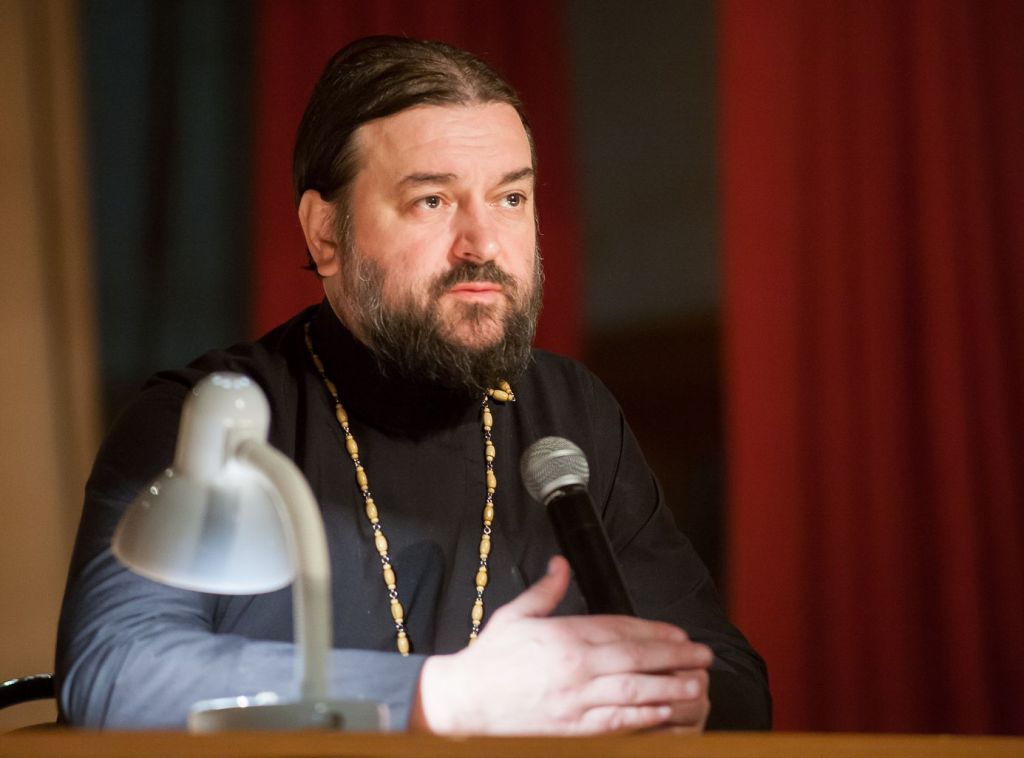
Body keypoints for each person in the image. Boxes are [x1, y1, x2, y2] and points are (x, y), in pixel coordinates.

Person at [56, 35, 770, 734]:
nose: (483, 244)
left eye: (511, 198)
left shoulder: (571, 412)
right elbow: (117, 671)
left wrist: (673, 702)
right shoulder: (208, 418)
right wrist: (445, 697)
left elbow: (733, 680)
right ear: (324, 233)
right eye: (432, 201)